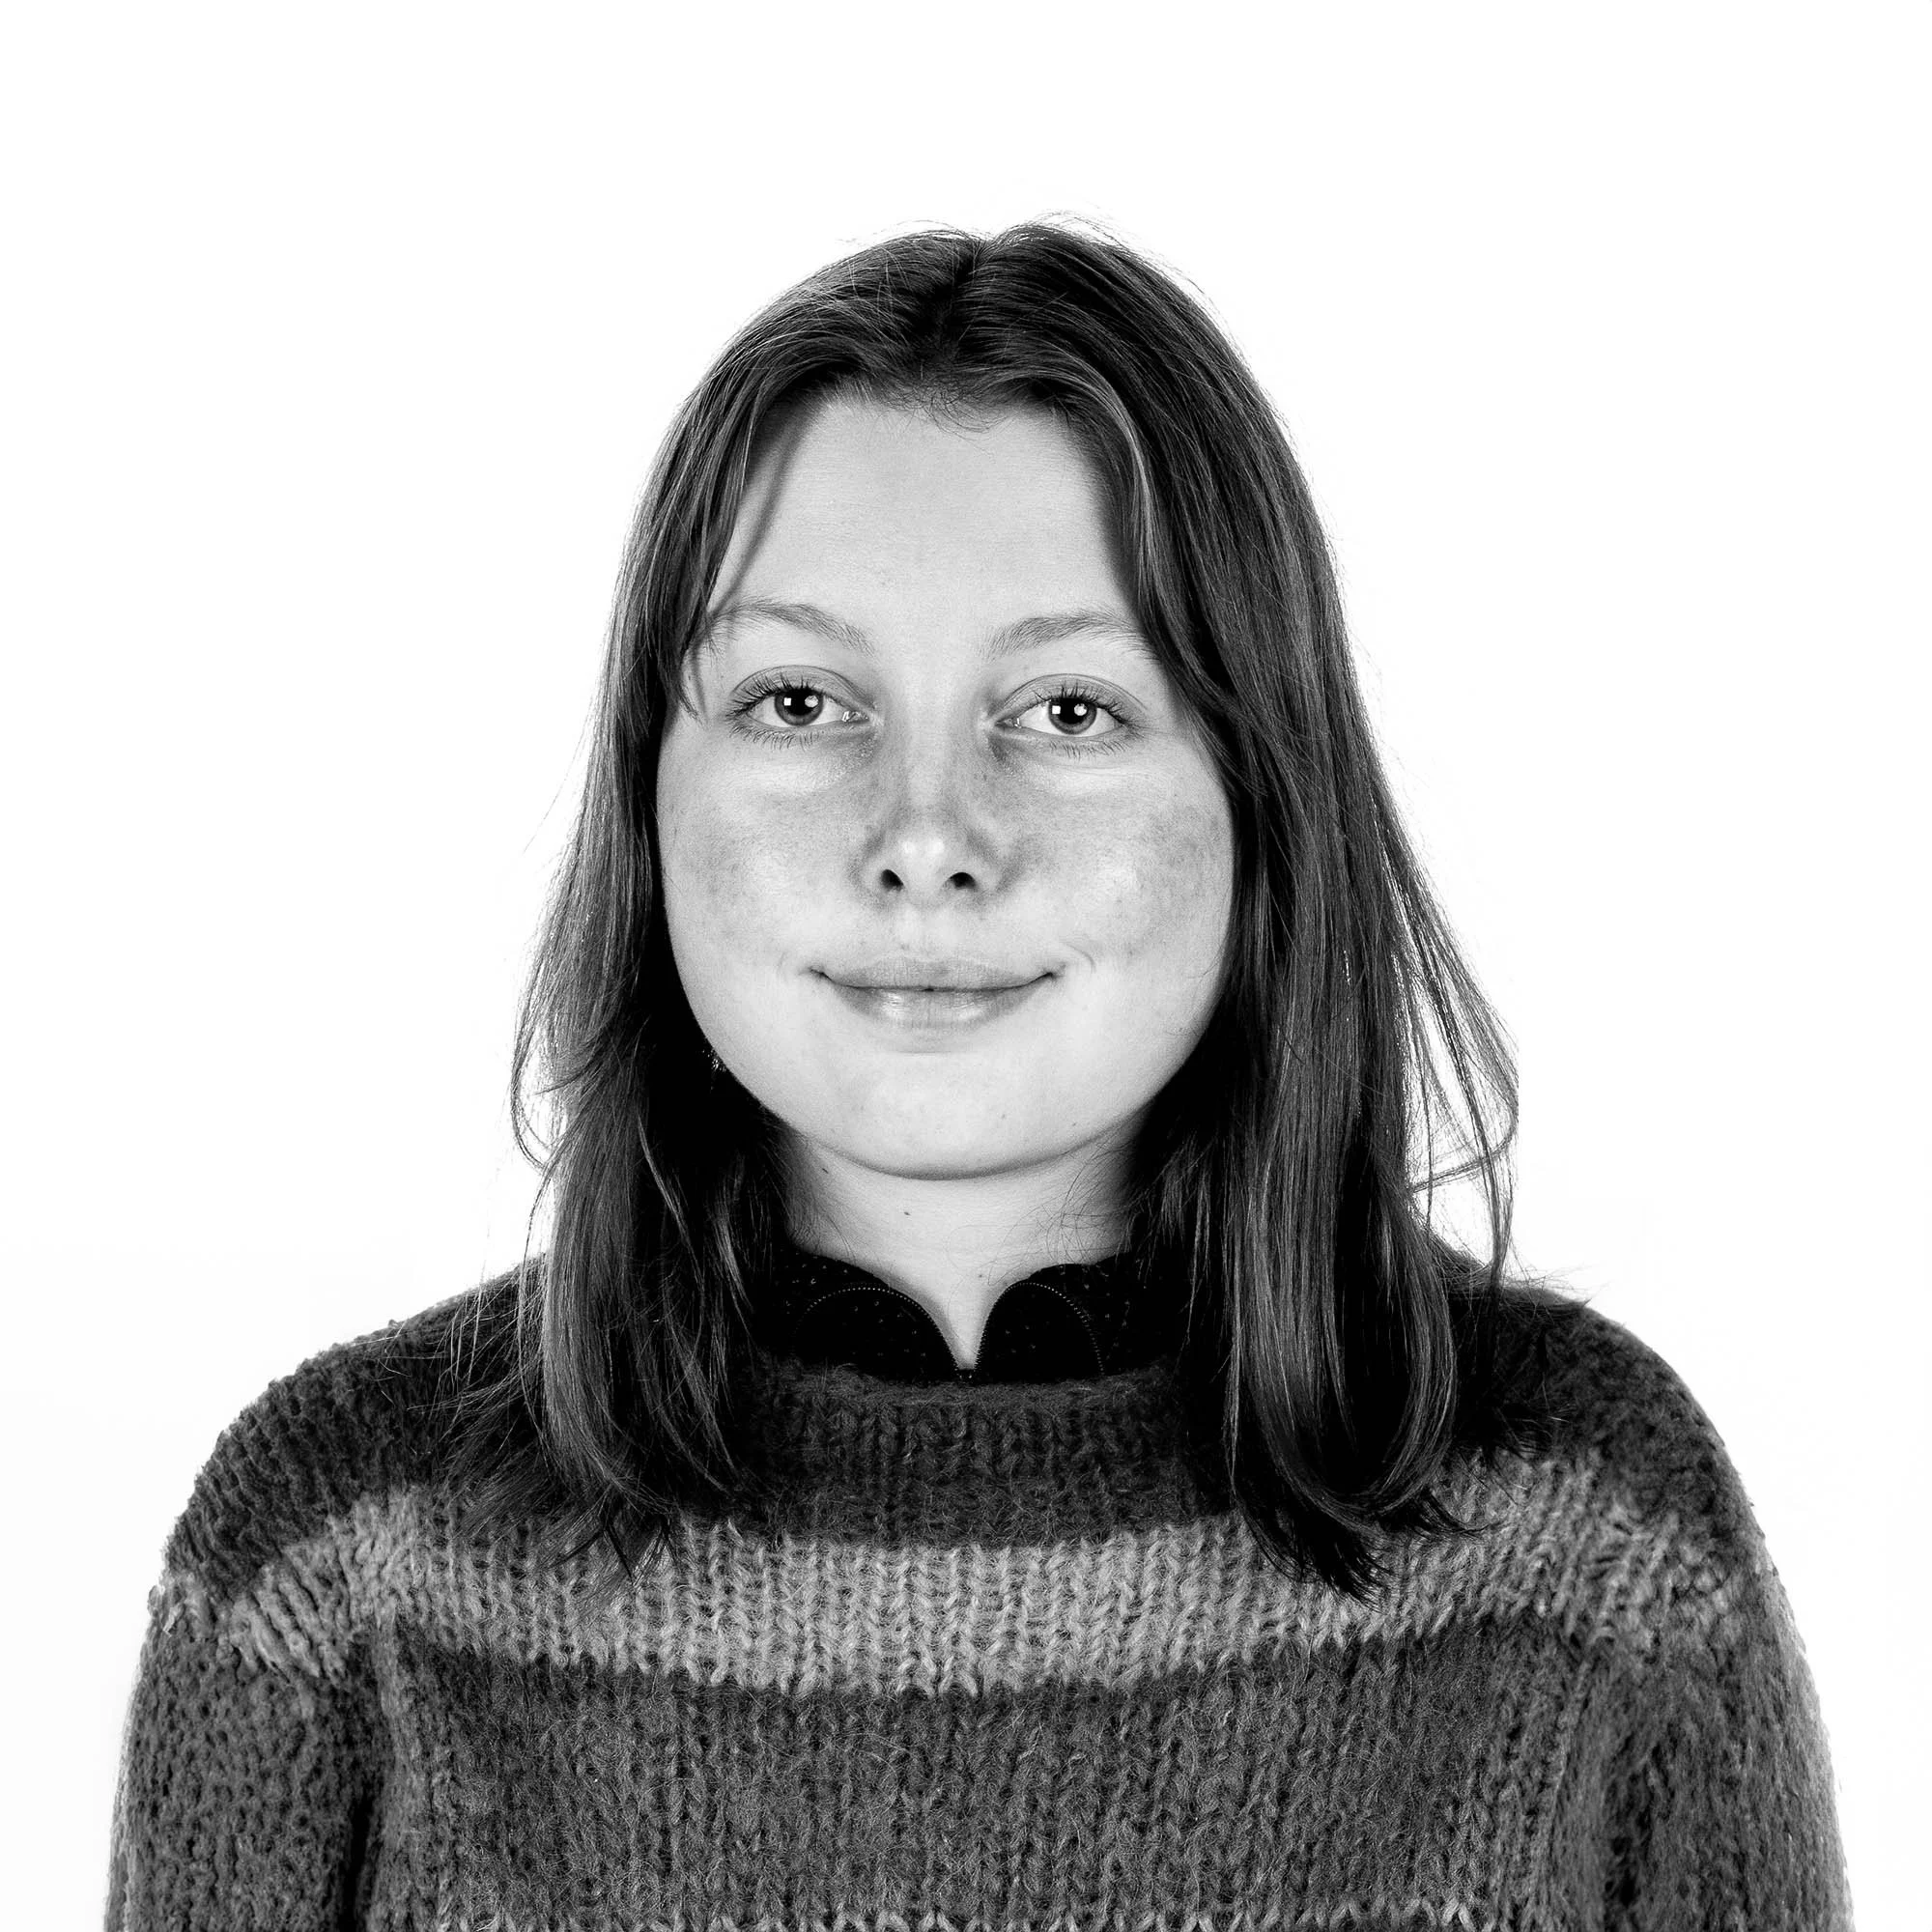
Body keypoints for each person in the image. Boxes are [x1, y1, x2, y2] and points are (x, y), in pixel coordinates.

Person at [104, 219, 1853, 1927]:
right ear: (650, 793)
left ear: (1263, 795)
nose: (927, 835)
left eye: (1069, 712)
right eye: (801, 703)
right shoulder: (333, 1570)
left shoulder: (1597, 1548)